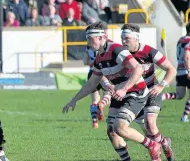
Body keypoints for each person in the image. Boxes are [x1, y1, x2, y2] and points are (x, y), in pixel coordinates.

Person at [62, 21, 162, 161]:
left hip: (136, 92)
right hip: (120, 94)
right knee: (112, 132)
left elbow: (138, 69)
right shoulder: (99, 58)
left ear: (102, 37)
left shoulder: (116, 50)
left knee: (120, 127)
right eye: (87, 39)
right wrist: (74, 100)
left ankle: (152, 145)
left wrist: (124, 89)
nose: (89, 43)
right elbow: (91, 83)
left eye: (91, 39)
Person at [120, 23, 176, 161]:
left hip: (152, 91)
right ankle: (164, 143)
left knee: (150, 124)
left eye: (127, 38)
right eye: (122, 38)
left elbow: (171, 69)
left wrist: (161, 85)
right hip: (135, 95)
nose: (123, 41)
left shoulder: (149, 52)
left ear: (136, 38)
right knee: (148, 132)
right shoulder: (121, 54)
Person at [162, 22, 190, 122]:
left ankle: (162, 96)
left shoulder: (181, 40)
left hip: (180, 72)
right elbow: (187, 56)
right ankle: (184, 117)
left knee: (180, 95)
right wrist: (189, 71)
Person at [83, 44, 112, 129]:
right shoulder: (107, 45)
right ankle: (102, 104)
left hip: (92, 74)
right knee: (109, 95)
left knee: (95, 100)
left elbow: (85, 62)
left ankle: (95, 122)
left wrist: (92, 62)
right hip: (104, 73)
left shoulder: (88, 47)